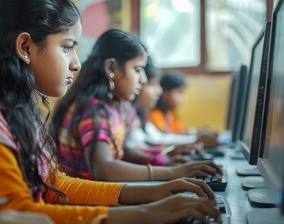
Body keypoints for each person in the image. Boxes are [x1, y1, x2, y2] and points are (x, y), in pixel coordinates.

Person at [0, 0, 220, 223]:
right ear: (25, 47)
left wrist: (155, 193)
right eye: (67, 47)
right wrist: (145, 214)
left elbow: (59, 186)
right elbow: (20, 215)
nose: (76, 63)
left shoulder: (17, 109)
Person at [52, 29, 221, 183]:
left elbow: (126, 151)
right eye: (137, 69)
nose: (144, 80)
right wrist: (171, 172)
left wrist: (165, 161)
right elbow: (104, 169)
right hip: (88, 205)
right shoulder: (91, 109)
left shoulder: (116, 106)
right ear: (111, 67)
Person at [125, 56, 206, 164]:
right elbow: (157, 140)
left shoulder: (139, 116)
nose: (159, 91)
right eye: (152, 84)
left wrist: (194, 140)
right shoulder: (151, 115)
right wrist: (195, 138)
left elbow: (157, 139)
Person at [149, 72, 221, 148]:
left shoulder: (170, 114)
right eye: (179, 92)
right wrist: (196, 136)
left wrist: (198, 132)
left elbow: (179, 132)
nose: (183, 98)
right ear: (165, 93)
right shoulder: (155, 114)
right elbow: (166, 137)